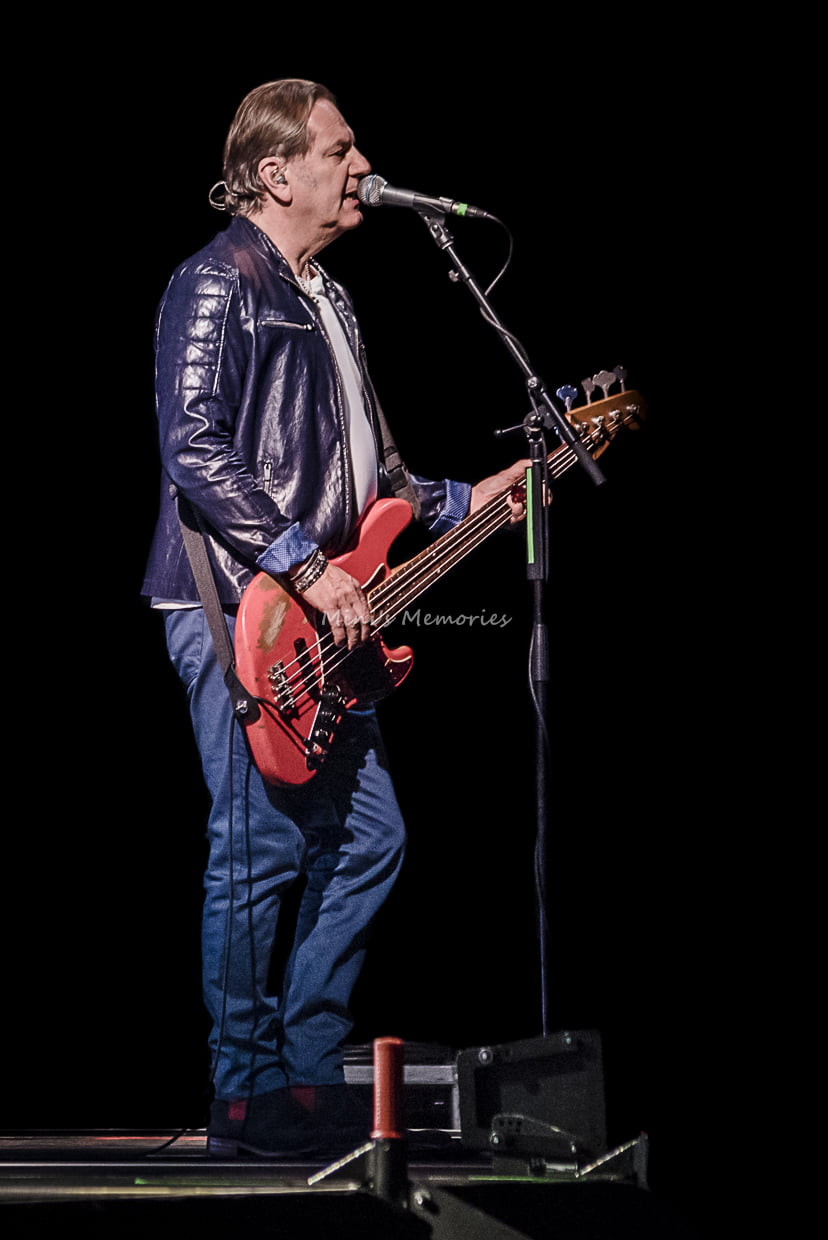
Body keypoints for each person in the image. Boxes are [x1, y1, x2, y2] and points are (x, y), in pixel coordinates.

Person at [141, 78, 527, 1160]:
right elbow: (194, 446)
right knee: (257, 848)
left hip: (327, 612)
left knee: (369, 839)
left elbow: (374, 477)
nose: (363, 167)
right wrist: (306, 567)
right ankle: (243, 1089)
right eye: (340, 148)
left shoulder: (330, 298)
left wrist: (475, 497)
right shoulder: (219, 280)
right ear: (276, 172)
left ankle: (308, 1074)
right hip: (241, 605)